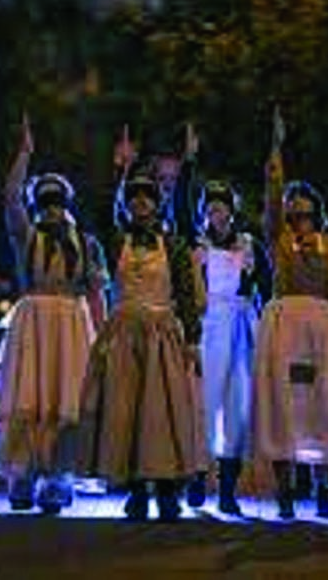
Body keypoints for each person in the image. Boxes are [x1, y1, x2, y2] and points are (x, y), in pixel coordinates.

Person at [0, 114, 100, 515]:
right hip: (33, 322)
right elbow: (10, 198)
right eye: (44, 203)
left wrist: (100, 336)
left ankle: (58, 477)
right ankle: (23, 473)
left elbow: (97, 288)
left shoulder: (85, 241)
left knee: (65, 401)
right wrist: (24, 156)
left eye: (57, 203)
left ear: (66, 205)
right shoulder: (28, 236)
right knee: (28, 398)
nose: (51, 210)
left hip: (71, 322)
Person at [77, 164, 206, 521]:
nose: (140, 203)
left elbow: (186, 295)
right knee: (127, 413)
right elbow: (100, 217)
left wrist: (193, 339)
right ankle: (136, 491)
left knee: (162, 414)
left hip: (161, 336)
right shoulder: (116, 241)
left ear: (156, 203)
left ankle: (167, 492)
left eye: (146, 197)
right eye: (133, 197)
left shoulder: (174, 245)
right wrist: (119, 170)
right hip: (123, 337)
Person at [252, 147, 328, 520]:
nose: (299, 219)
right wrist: (274, 177)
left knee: (323, 410)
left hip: (323, 336)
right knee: (285, 410)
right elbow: (268, 217)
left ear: (317, 213)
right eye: (292, 213)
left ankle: (323, 488)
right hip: (285, 333)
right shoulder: (281, 245)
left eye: (305, 212)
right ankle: (283, 491)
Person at [183, 178, 272, 515]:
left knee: (237, 406)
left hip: (240, 328)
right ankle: (196, 476)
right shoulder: (197, 245)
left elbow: (266, 287)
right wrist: (188, 164)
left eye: (221, 206)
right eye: (210, 206)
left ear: (232, 211)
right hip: (208, 328)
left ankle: (228, 488)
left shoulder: (250, 245)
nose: (215, 212)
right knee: (203, 404)